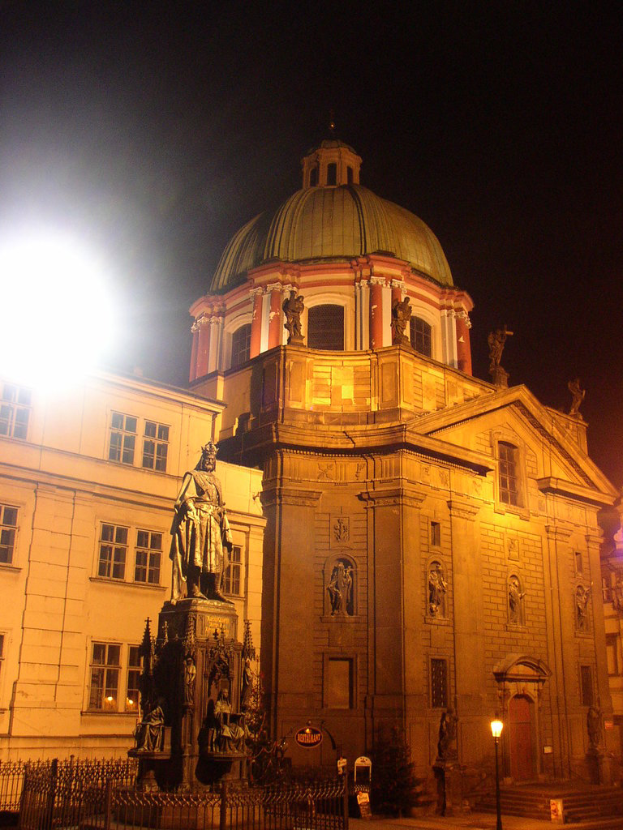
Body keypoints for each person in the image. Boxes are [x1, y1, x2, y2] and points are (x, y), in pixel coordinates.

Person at [169, 442, 233, 602]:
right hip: (199, 520)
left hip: (214, 521)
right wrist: (191, 510)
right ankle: (194, 589)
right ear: (202, 459)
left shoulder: (217, 480)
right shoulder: (193, 476)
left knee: (217, 555)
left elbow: (219, 502)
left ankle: (215, 590)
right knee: (196, 556)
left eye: (212, 459)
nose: (209, 461)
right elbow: (186, 498)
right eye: (207, 458)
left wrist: (220, 511)